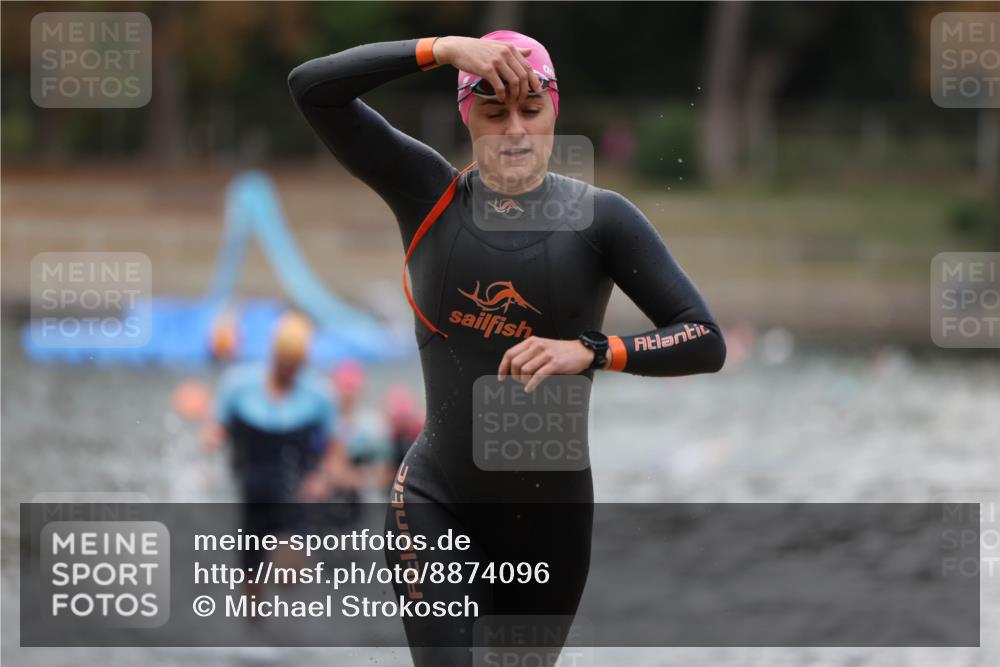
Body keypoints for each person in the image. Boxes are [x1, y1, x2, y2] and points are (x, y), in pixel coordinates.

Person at [289, 30, 726, 666]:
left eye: (531, 109)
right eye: (493, 112)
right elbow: (312, 89)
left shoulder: (604, 221)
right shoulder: (427, 195)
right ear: (467, 115)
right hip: (437, 499)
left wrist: (595, 350)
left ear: (555, 111)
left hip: (550, 524)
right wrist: (438, 50)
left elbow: (704, 339)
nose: (515, 131)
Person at [204, 310, 356, 595]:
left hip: (295, 491)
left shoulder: (319, 395)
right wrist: (211, 437)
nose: (288, 369)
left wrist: (324, 478)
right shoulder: (239, 386)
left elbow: (336, 448)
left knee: (287, 573)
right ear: (273, 354)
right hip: (252, 489)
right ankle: (254, 630)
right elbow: (216, 428)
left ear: (303, 361)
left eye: (294, 363)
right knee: (251, 585)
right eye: (284, 361)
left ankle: (293, 617)